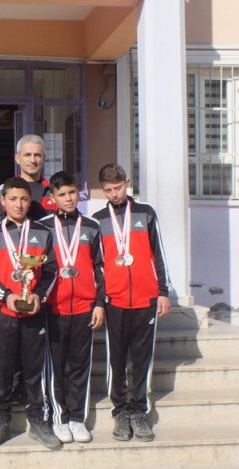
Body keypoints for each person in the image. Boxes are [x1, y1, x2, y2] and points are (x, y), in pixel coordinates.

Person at [0, 176, 61, 451]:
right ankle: (0, 420)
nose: (18, 204)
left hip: (34, 311)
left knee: (35, 368)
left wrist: (38, 295)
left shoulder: (43, 232)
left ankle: (38, 419)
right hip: (4, 312)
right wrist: (6, 296)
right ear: (3, 201)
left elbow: (51, 271)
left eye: (24, 199)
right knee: (3, 368)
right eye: (13, 199)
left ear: (30, 202)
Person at [92, 164, 171, 442]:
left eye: (118, 187)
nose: (114, 194)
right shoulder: (98, 220)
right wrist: (100, 300)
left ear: (127, 183)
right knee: (116, 359)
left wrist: (163, 291)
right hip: (114, 300)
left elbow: (158, 252)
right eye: (108, 190)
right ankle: (120, 411)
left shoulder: (146, 213)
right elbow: (97, 265)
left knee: (141, 358)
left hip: (145, 298)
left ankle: (138, 410)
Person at [39, 171, 105, 444]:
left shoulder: (91, 226)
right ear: (52, 198)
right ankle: (59, 417)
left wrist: (99, 303)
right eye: (62, 194)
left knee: (80, 365)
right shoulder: (42, 227)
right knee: (55, 367)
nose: (68, 199)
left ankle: (77, 418)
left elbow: (100, 267)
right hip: (54, 309)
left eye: (72, 193)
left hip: (84, 307)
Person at [0, 134, 58, 223]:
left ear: (44, 159)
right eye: (27, 155)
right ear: (17, 158)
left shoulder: (55, 191)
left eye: (37, 155)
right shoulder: (1, 192)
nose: (33, 160)